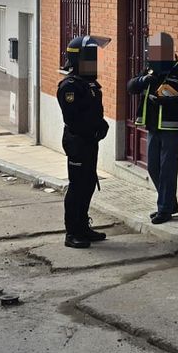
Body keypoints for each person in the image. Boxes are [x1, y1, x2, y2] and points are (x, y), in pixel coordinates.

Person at [127, 32, 178, 224]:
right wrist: (143, 80)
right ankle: (170, 204)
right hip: (152, 126)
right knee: (153, 167)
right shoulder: (150, 70)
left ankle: (164, 210)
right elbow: (130, 87)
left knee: (167, 169)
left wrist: (168, 101)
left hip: (171, 128)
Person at [58, 34, 111, 249]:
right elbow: (74, 119)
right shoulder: (70, 86)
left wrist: (102, 125)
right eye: (90, 57)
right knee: (77, 186)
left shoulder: (89, 84)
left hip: (89, 141)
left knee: (89, 183)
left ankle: (83, 226)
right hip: (78, 141)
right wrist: (93, 129)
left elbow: (93, 113)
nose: (94, 62)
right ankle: (72, 232)